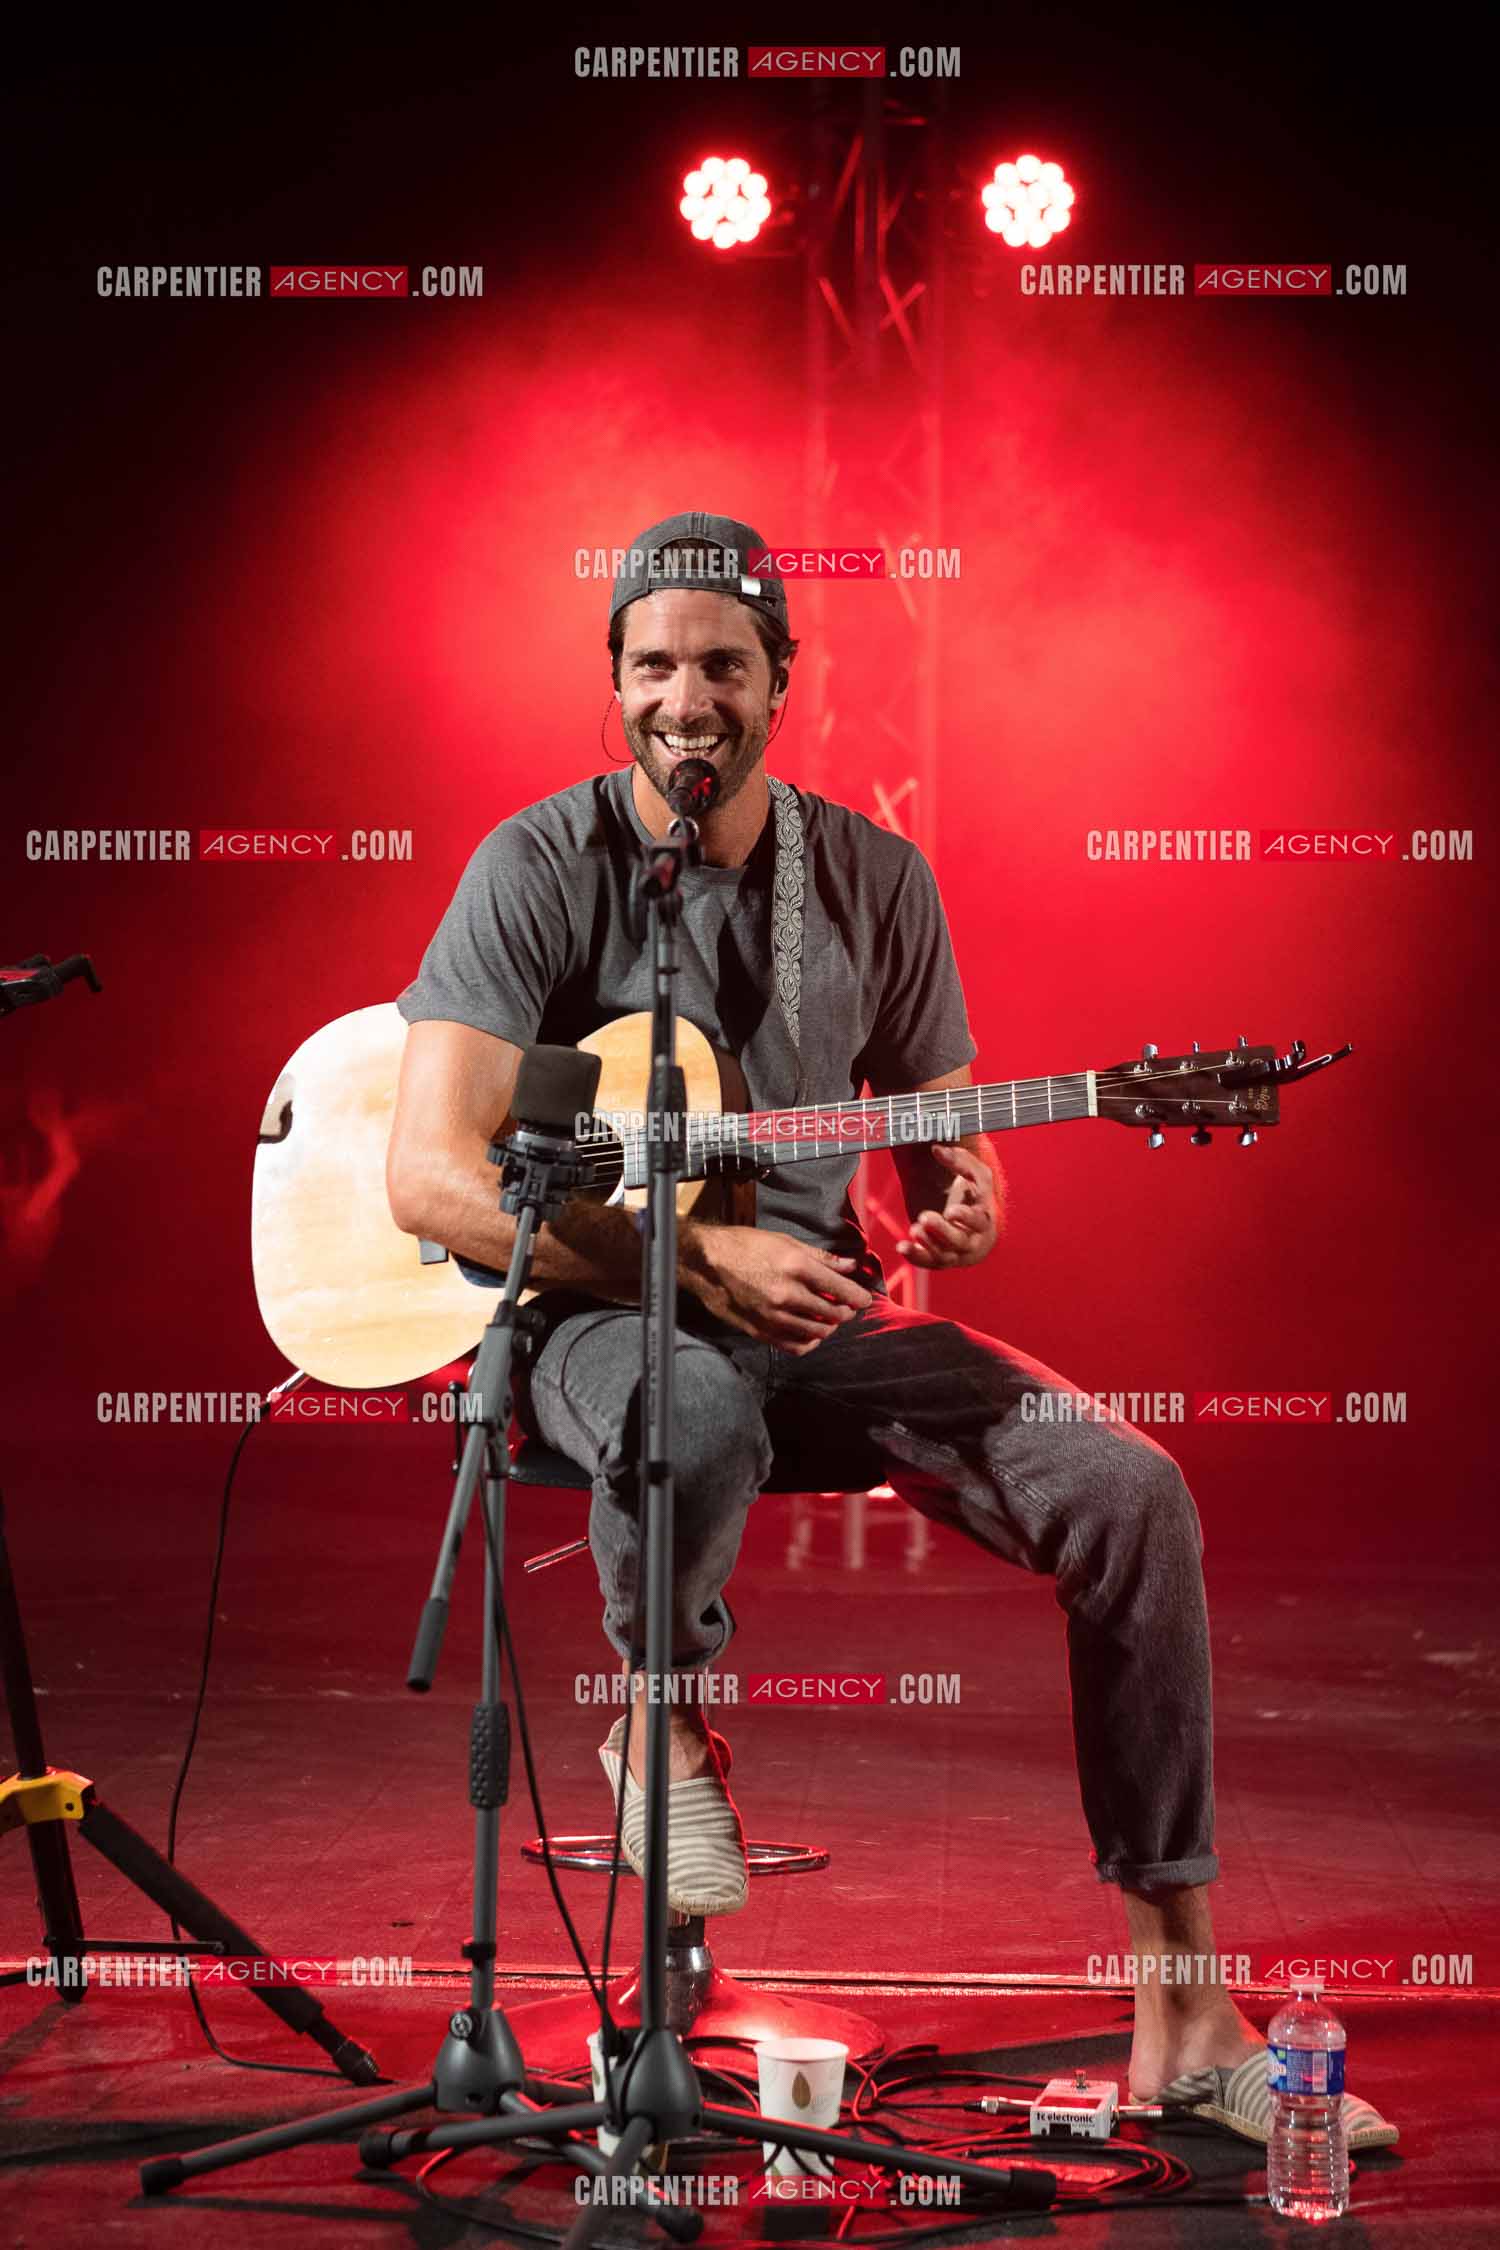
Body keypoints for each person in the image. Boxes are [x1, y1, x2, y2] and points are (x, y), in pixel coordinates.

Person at [387, 512, 1394, 2147]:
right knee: (691, 1410)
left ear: (785, 677)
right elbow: (430, 1174)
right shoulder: (536, 865)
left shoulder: (870, 878)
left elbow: (944, 1130)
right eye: (654, 666)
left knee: (1128, 1491)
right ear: (615, 683)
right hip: (588, 1311)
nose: (687, 697)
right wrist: (700, 1268)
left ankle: (1183, 2009)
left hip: (818, 1326)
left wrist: (967, 1191)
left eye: (724, 663)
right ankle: (667, 1728)